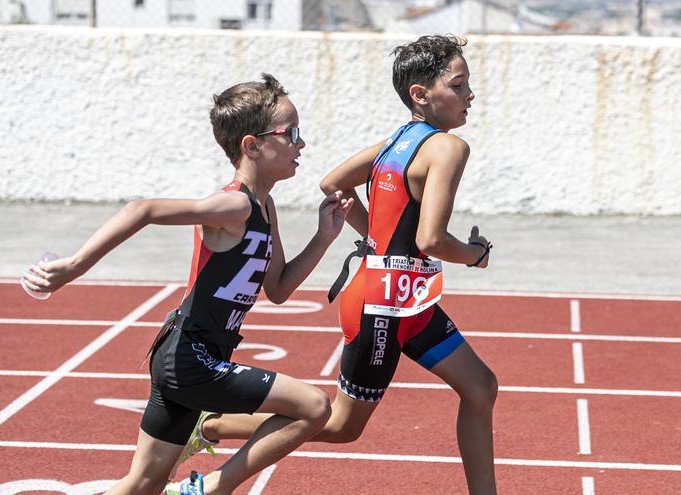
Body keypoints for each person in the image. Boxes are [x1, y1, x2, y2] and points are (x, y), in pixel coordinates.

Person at [182, 35, 499, 494]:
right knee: (341, 426)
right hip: (382, 308)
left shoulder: (398, 140)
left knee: (481, 388)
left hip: (407, 301)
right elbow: (432, 238)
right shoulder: (449, 148)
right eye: (460, 84)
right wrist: (476, 254)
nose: (471, 94)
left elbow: (332, 183)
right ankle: (210, 427)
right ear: (420, 94)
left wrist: (378, 241)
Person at [21, 73, 352, 495]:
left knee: (143, 484)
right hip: (191, 359)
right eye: (291, 134)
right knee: (314, 407)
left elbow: (280, 288)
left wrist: (324, 237)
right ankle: (215, 487)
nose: (301, 144)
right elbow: (143, 209)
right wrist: (74, 267)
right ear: (252, 145)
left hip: (185, 354)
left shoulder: (264, 206)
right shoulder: (235, 204)